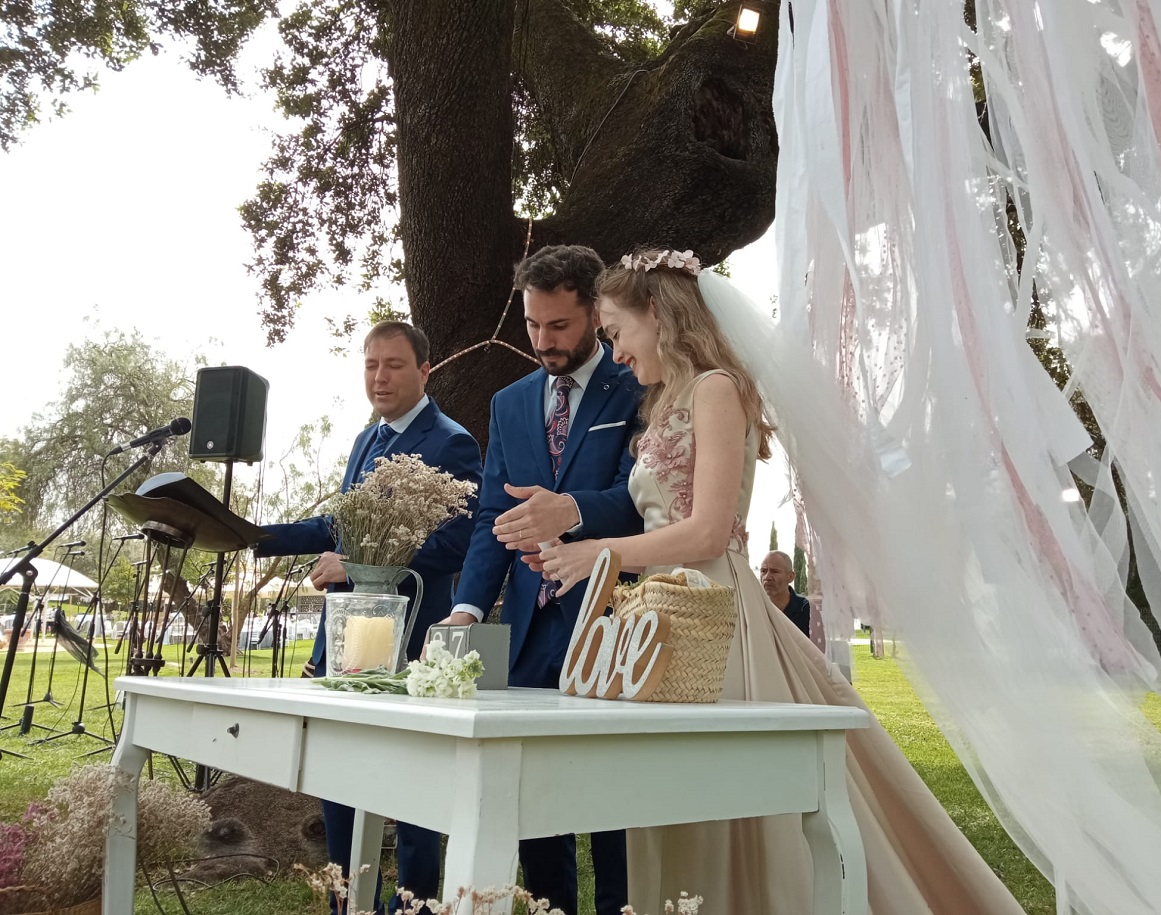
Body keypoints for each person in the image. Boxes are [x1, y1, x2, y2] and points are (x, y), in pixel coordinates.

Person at [536, 249, 1024, 915]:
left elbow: (709, 531)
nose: (613, 351)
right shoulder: (664, 400)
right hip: (659, 623)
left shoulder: (717, 388)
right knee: (668, 807)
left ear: (657, 312)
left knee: (725, 812)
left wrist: (600, 553)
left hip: (717, 620)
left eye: (616, 331)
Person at [255, 320, 482, 914]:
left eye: (394, 365)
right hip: (345, 647)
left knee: (411, 801)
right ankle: (347, 906)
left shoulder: (452, 442)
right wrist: (251, 536)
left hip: (408, 648)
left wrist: (354, 565)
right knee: (338, 789)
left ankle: (415, 908)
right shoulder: (364, 441)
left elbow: (456, 543)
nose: (379, 377)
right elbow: (338, 526)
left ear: (425, 370)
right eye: (370, 365)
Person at [442, 244, 642, 915]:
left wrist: (572, 511)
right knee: (537, 802)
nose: (542, 341)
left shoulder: (637, 382)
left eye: (558, 326)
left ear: (593, 310)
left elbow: (642, 496)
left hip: (614, 617)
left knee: (614, 796)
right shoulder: (509, 401)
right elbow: (495, 514)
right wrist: (469, 605)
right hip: (528, 626)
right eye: (532, 325)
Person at [760, 549, 826, 652]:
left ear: (791, 577)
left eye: (774, 571)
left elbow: (817, 655)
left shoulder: (808, 610)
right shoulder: (755, 609)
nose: (767, 577)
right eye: (763, 571)